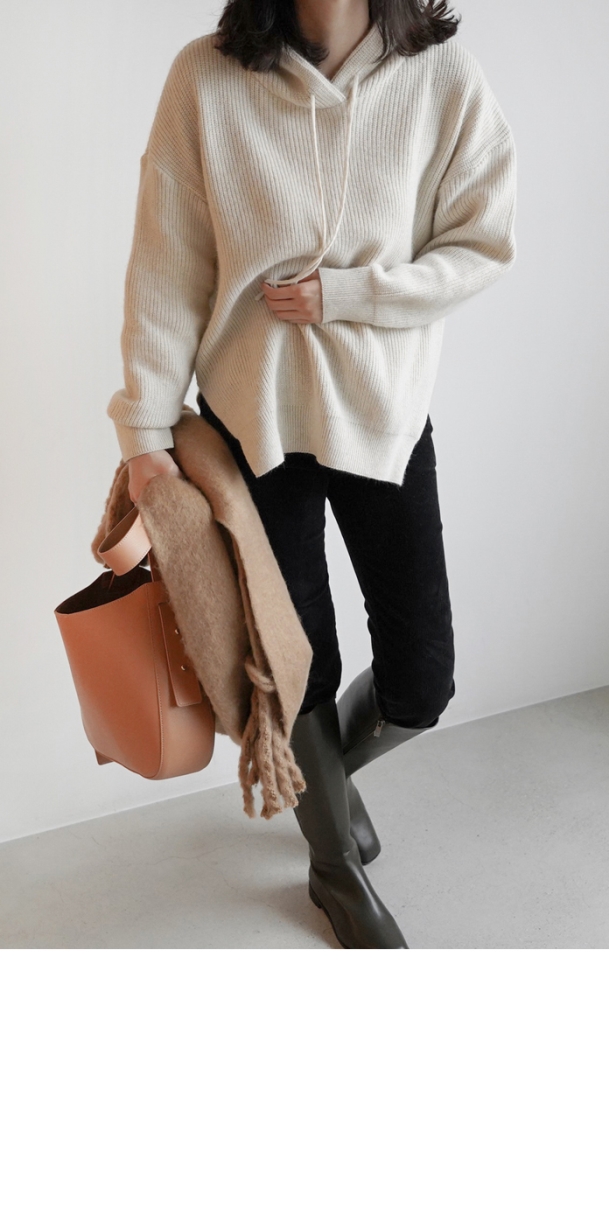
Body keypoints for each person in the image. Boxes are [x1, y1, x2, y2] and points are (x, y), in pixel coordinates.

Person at [108, 0, 517, 949]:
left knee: (423, 677)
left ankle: (318, 782)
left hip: (382, 411)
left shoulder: (441, 76)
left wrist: (353, 294)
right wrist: (144, 430)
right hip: (250, 420)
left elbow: (483, 241)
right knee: (297, 669)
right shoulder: (206, 77)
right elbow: (168, 262)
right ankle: (334, 865)